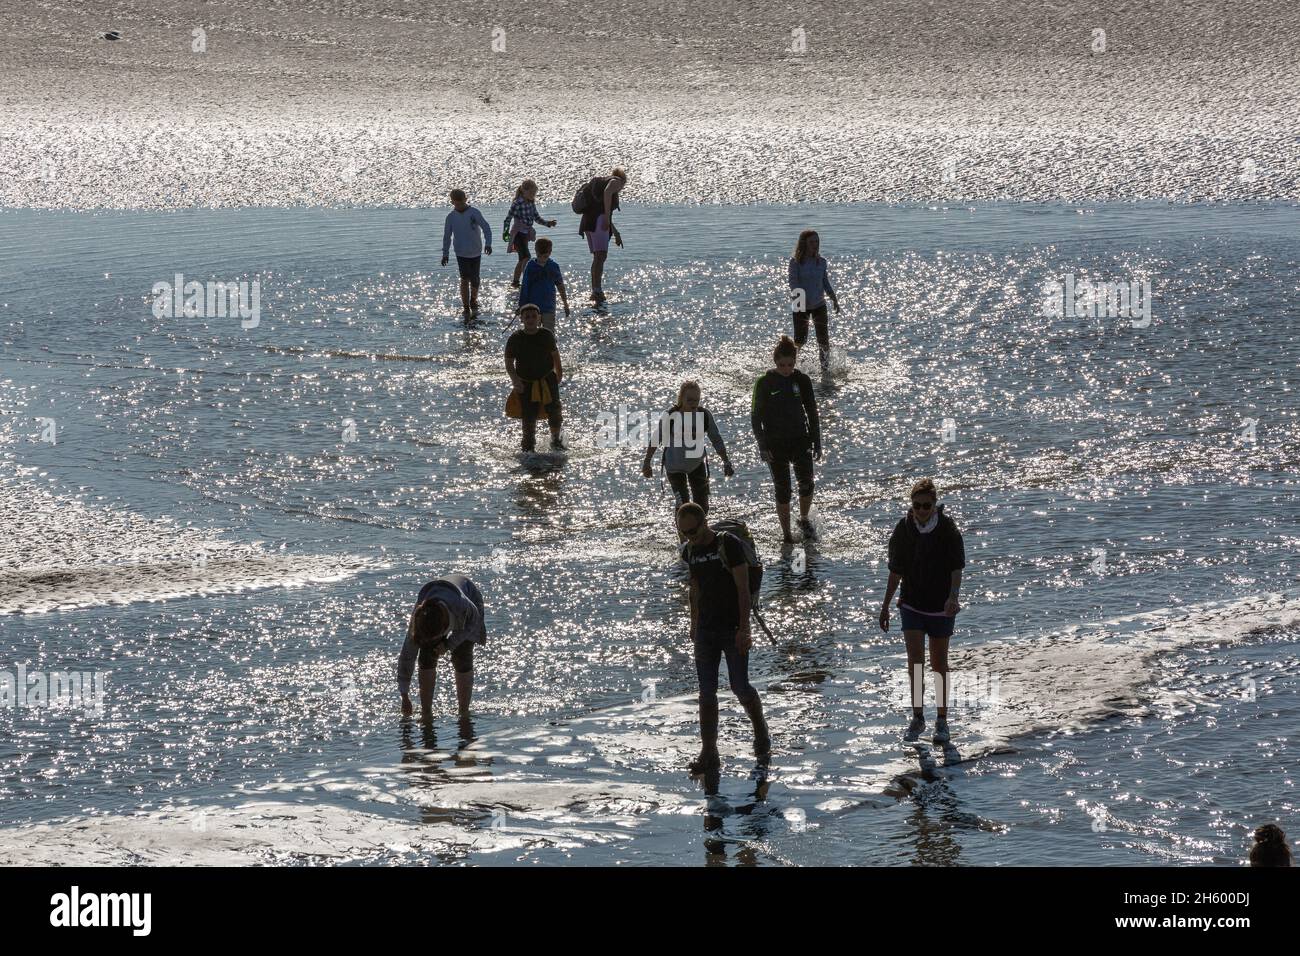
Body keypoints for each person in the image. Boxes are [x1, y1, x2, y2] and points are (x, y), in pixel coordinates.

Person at [677, 502, 769, 774]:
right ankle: (709, 752)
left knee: (740, 686)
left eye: (693, 531)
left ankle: (760, 730)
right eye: (684, 534)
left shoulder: (727, 544)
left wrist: (745, 628)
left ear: (705, 523)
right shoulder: (690, 550)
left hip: (732, 628)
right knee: (706, 694)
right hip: (706, 630)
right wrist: (693, 624)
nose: (690, 538)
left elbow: (742, 589)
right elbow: (694, 588)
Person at [879, 479, 966, 744]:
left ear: (935, 504)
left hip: (940, 607)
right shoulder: (904, 530)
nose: (922, 511)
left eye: (927, 506)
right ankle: (917, 716)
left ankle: (942, 720)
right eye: (917, 506)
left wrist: (953, 597)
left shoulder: (948, 529)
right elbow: (895, 571)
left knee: (939, 664)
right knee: (915, 662)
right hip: (912, 604)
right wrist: (885, 606)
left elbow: (956, 568)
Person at [750, 335, 821, 542]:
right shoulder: (764, 382)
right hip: (775, 444)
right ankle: (787, 534)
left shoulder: (802, 380)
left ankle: (804, 518)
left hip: (800, 440)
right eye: (782, 365)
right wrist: (762, 445)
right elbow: (755, 417)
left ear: (795, 362)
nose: (786, 369)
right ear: (775, 362)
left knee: (807, 483)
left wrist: (817, 441)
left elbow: (812, 412)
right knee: (783, 490)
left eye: (790, 365)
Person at [642, 381, 734, 535]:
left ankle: (699, 535)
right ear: (681, 399)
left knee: (702, 506)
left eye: (696, 400)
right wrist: (647, 462)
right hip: (674, 467)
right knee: (683, 505)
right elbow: (656, 438)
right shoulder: (671, 416)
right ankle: (684, 541)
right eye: (689, 400)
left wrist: (726, 461)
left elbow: (716, 438)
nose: (693, 404)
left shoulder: (704, 415)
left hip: (697, 464)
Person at [397, 573, 487, 720]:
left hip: (469, 600)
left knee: (461, 656)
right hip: (436, 607)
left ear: (445, 629)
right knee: (427, 656)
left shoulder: (463, 606)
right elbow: (407, 654)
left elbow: (474, 622)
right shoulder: (420, 615)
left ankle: (463, 713)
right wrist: (404, 696)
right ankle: (426, 713)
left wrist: (449, 644)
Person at [505, 303, 565, 451]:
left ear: (539, 318)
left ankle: (556, 441)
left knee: (555, 411)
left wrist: (559, 375)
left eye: (533, 316)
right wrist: (515, 380)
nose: (530, 319)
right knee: (528, 415)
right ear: (521, 319)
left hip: (547, 379)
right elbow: (508, 362)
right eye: (527, 317)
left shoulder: (546, 335)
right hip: (525, 383)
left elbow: (556, 356)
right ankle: (528, 445)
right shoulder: (515, 338)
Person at [788, 230, 840, 369]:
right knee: (800, 340)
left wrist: (834, 298)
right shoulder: (795, 262)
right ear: (804, 243)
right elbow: (793, 283)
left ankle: (825, 369)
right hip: (800, 304)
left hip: (819, 304)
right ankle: (788, 366)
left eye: (817, 241)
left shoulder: (821, 262)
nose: (815, 244)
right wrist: (801, 298)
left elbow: (825, 282)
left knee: (823, 340)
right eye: (812, 242)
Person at [576, 167, 627, 302]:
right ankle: (597, 291)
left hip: (588, 222)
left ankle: (595, 290)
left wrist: (616, 233)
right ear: (623, 181)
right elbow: (607, 193)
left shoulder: (602, 182)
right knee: (601, 256)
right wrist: (606, 216)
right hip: (598, 222)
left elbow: (605, 213)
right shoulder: (616, 181)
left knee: (597, 257)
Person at [440, 188, 493, 317]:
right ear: (452, 202)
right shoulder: (451, 217)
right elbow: (447, 236)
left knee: (475, 278)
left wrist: (488, 243)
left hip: (475, 251)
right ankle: (466, 306)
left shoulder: (474, 213)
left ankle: (473, 300)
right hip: (461, 252)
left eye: (461, 203)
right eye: (456, 204)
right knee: (464, 278)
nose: (459, 206)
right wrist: (445, 254)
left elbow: (486, 228)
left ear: (466, 199)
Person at [503, 179, 556, 288]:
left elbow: (536, 218)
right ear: (523, 191)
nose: (533, 196)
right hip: (518, 233)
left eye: (534, 194)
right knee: (526, 257)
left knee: (521, 259)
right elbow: (508, 218)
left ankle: (515, 282)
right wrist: (506, 232)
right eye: (531, 193)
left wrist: (548, 223)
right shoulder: (517, 203)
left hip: (526, 234)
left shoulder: (531, 203)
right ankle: (527, 280)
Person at [519, 237, 569, 332]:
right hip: (532, 308)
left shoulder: (553, 266)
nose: (542, 259)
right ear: (536, 251)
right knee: (532, 332)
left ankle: (550, 346)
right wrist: (522, 306)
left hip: (549, 306)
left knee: (549, 333)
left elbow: (560, 286)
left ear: (550, 252)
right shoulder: (530, 266)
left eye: (545, 256)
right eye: (539, 256)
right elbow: (525, 287)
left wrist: (565, 304)